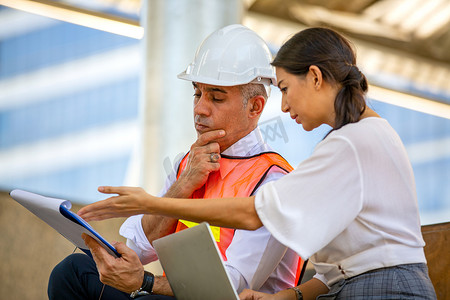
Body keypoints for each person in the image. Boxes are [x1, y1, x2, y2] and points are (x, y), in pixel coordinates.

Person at [78, 27, 437, 300]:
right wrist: (288, 296)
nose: (283, 107)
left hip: (383, 289)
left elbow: (254, 215)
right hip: (363, 286)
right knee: (76, 272)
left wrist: (150, 203)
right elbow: (343, 266)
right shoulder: (359, 140)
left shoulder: (352, 143)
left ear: (314, 77)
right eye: (198, 93)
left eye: (284, 89)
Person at [48, 24, 303, 300]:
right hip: (170, 295)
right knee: (72, 271)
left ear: (255, 107)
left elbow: (232, 287)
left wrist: (146, 282)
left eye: (216, 97)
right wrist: (182, 187)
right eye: (197, 93)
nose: (199, 108)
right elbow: (139, 249)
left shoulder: (273, 180)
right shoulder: (188, 164)